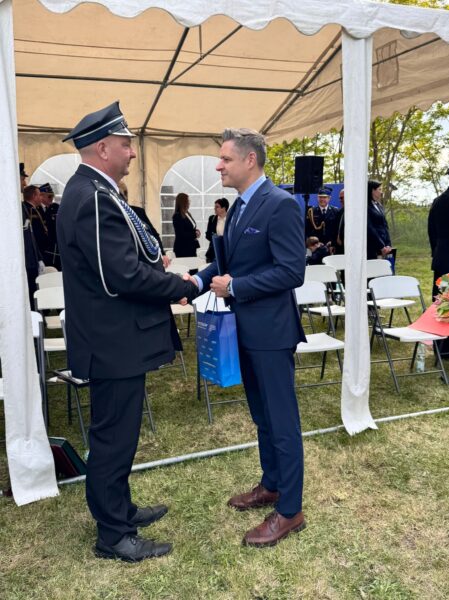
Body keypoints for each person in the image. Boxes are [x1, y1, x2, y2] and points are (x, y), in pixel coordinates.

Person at [57, 101, 198, 562]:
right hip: (112, 341)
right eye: (125, 144)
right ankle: (114, 535)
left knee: (119, 435)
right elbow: (123, 276)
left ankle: (120, 510)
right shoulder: (94, 198)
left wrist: (159, 270)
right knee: (113, 439)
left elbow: (127, 261)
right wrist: (180, 286)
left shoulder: (95, 191)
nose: (133, 152)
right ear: (103, 148)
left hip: (113, 338)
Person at [188, 128, 306, 547]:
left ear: (250, 160)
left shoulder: (280, 204)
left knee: (282, 421)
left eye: (225, 159)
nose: (218, 166)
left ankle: (290, 511)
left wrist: (235, 287)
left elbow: (292, 271)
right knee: (262, 415)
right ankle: (271, 485)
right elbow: (226, 262)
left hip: (271, 332)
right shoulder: (238, 206)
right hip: (246, 330)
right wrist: (195, 281)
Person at [118, 180, 170, 268]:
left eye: (120, 195)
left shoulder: (138, 212)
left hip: (143, 262)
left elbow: (154, 234)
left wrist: (162, 253)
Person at [428, 167, 449, 357]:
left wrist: (437, 251)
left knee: (443, 301)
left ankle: (441, 346)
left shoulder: (438, 201)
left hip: (442, 256)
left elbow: (431, 232)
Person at [20, 165, 43, 306]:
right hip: (26, 260)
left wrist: (38, 258)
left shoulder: (22, 207)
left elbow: (31, 235)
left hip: (32, 259)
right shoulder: (20, 207)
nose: (24, 183)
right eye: (22, 179)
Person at [367, 180, 392, 259]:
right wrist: (381, 246)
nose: (381, 192)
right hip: (373, 247)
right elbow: (369, 228)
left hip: (385, 247)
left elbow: (385, 226)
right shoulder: (366, 206)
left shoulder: (379, 206)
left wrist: (388, 244)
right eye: (379, 189)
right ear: (373, 191)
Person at [172, 192, 200, 257]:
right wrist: (194, 234)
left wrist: (196, 231)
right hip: (183, 248)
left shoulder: (187, 213)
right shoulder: (177, 216)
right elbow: (181, 233)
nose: (189, 202)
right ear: (183, 202)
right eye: (188, 200)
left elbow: (189, 228)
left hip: (191, 246)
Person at [39, 182, 60, 268]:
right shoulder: (36, 209)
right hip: (43, 248)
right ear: (41, 196)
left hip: (55, 246)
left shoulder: (55, 208)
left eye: (52, 196)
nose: (51, 199)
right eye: (49, 196)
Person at [205, 197, 229, 262]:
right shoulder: (212, 219)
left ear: (224, 208)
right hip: (214, 252)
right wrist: (215, 237)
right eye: (214, 207)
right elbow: (207, 235)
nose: (214, 208)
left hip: (227, 251)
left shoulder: (231, 219)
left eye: (217, 207)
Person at [334, 187, 345, 255]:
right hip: (339, 248)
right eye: (339, 198)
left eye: (342, 198)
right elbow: (335, 229)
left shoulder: (355, 213)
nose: (340, 200)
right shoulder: (339, 212)